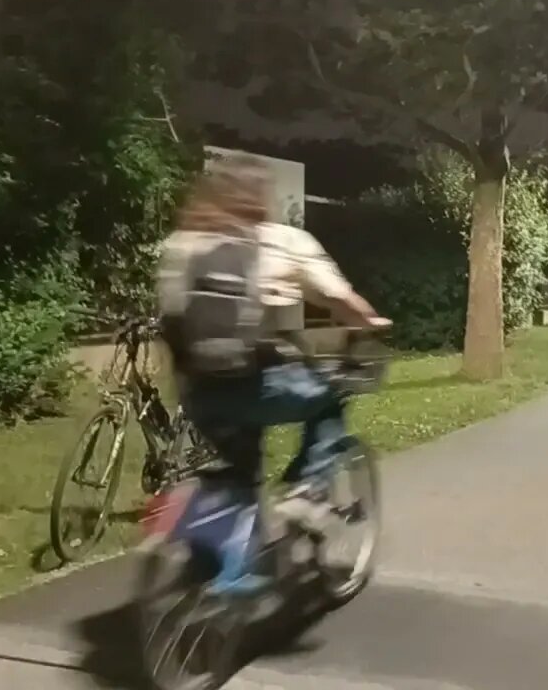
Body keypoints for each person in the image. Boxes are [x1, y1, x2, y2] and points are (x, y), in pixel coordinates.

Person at [156, 162, 389, 596]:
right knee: (332, 394)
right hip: (259, 385)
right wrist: (370, 322)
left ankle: (218, 573)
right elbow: (339, 298)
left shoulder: (181, 245)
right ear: (260, 198)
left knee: (239, 470)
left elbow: (171, 318)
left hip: (200, 393)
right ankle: (308, 491)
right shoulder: (282, 241)